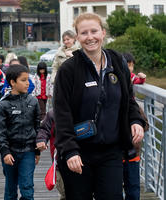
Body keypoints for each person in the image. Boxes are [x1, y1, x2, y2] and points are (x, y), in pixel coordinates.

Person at [53, 13, 146, 200]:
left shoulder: (117, 62)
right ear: (78, 37)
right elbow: (62, 114)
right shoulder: (69, 70)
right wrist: (69, 150)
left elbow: (128, 100)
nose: (90, 37)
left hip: (111, 151)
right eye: (84, 33)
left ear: (103, 33)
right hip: (78, 152)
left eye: (94, 31)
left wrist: (136, 120)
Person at [0, 64, 41, 200]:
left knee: (27, 189)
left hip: (28, 151)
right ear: (12, 82)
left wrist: (37, 151)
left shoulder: (33, 101)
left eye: (28, 79)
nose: (28, 83)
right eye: (23, 80)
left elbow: (37, 127)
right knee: (10, 189)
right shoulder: (3, 105)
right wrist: (5, 152)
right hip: (10, 153)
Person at [122, 52, 147, 200]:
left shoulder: (130, 79)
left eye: (131, 65)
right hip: (115, 152)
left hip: (131, 151)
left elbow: (138, 80)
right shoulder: (114, 79)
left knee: (132, 187)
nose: (129, 68)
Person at [36, 109, 65, 200]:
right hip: (60, 163)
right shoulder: (53, 114)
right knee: (64, 193)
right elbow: (44, 129)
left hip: (85, 161)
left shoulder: (85, 108)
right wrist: (41, 140)